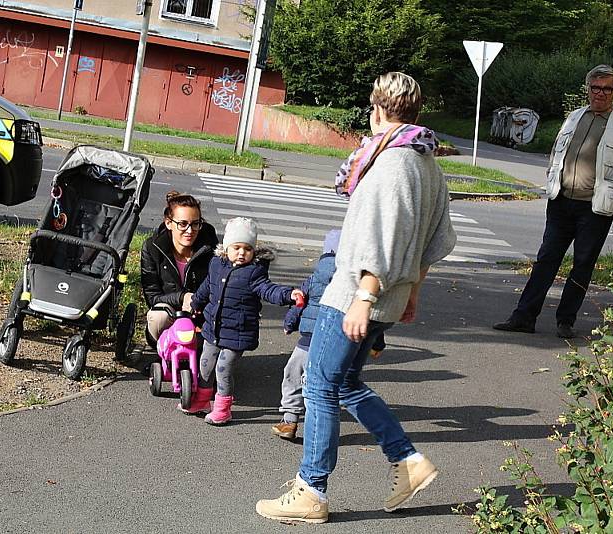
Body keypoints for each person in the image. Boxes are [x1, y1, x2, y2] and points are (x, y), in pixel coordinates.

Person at [255, 72, 457, 524]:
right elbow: (438, 238)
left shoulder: (392, 163)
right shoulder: (428, 163)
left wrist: (364, 296)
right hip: (388, 293)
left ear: (378, 109)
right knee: (344, 382)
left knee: (320, 385)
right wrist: (411, 293)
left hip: (355, 293)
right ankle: (407, 460)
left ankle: (312, 490)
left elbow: (379, 236)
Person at [493, 65, 613, 339]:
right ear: (588, 89)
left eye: (607, 88)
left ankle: (566, 320)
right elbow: (557, 151)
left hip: (595, 206)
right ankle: (524, 317)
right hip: (561, 200)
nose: (600, 93)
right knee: (545, 259)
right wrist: (552, 175)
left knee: (583, 262)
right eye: (595, 87)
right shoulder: (574, 117)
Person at [272, 228, 385, 441]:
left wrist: (289, 322)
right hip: (335, 343)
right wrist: (376, 344)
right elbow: (369, 318)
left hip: (306, 342)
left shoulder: (314, 278)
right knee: (324, 385)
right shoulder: (355, 284)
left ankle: (289, 419)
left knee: (293, 374)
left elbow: (299, 303)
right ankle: (320, 430)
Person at [188, 217, 303, 424]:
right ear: (226, 248)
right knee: (205, 364)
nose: (242, 253)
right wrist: (196, 303)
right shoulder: (216, 264)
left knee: (223, 369)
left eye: (247, 249)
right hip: (213, 328)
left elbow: (268, 290)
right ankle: (203, 400)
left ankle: (223, 408)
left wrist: (288, 294)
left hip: (237, 332)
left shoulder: (254, 273)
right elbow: (207, 286)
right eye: (237, 247)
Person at [140, 191, 218, 347]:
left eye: (195, 223)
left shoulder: (210, 249)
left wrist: (199, 302)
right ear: (169, 223)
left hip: (200, 314)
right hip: (170, 313)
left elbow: (218, 288)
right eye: (183, 224)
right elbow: (152, 297)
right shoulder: (152, 248)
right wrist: (183, 297)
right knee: (158, 316)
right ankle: (163, 351)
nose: (190, 231)